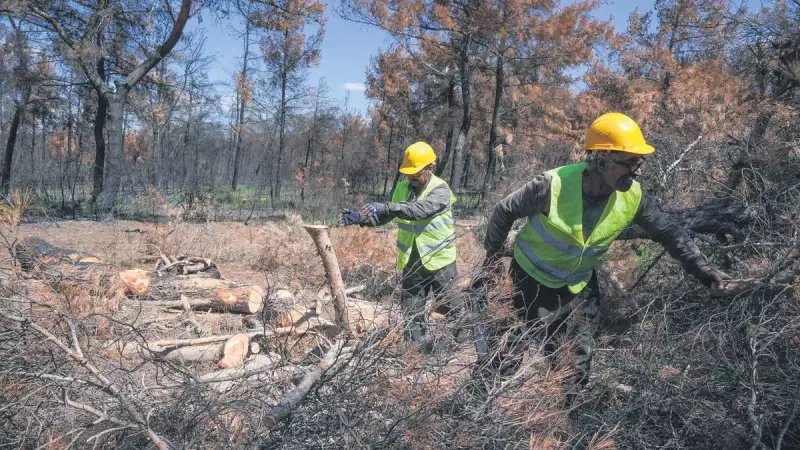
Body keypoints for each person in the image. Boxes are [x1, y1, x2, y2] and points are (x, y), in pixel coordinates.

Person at [476, 112, 746, 402]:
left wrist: (704, 271)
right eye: (630, 162)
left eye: (640, 161)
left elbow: (668, 231)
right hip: (526, 282)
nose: (638, 170)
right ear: (600, 158)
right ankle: (480, 411)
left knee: (575, 365)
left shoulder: (633, 196)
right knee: (505, 356)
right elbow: (504, 210)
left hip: (578, 288)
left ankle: (566, 422)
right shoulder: (551, 185)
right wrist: (492, 259)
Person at [339, 141, 462, 352]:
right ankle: (417, 353)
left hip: (440, 260)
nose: (411, 177)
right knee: (412, 310)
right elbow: (386, 217)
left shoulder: (440, 190)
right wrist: (360, 218)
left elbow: (418, 211)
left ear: (430, 167)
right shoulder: (402, 189)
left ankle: (461, 346)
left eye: (416, 172)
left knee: (451, 306)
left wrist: (386, 206)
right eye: (408, 172)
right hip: (412, 260)